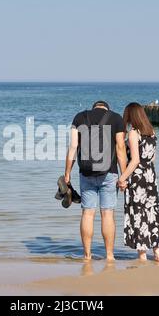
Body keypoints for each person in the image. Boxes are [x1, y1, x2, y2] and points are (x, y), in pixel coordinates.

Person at [64, 101, 127, 261]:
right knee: (107, 214)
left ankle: (87, 255)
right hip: (109, 173)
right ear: (106, 108)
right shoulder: (116, 118)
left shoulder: (79, 117)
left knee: (87, 213)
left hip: (85, 173)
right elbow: (120, 148)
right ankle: (110, 256)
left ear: (94, 107)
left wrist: (67, 173)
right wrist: (124, 175)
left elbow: (72, 147)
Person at [119, 102, 159, 262]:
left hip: (137, 178)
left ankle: (142, 255)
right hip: (150, 176)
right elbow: (153, 158)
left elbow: (134, 160)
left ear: (131, 116)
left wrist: (122, 178)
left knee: (138, 213)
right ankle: (158, 253)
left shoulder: (134, 133)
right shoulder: (151, 131)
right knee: (152, 211)